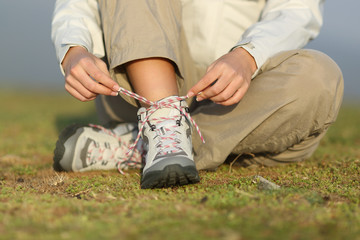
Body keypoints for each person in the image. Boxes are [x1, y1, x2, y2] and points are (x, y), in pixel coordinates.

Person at [51, 0, 343, 189]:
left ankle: (142, 143)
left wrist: (247, 57)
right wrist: (74, 48)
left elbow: (297, 12)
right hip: (140, 81)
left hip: (241, 94)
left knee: (320, 77)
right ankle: (162, 120)